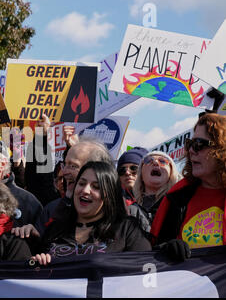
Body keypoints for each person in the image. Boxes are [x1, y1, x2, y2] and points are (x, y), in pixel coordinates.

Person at [32, 161, 151, 265]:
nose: (85, 190)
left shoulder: (127, 229)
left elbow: (145, 270)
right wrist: (39, 262)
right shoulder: (56, 227)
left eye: (96, 187)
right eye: (82, 183)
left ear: (109, 195)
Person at [151, 113, 226, 257]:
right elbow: (154, 251)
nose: (191, 151)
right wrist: (167, 247)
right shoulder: (178, 196)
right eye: (190, 144)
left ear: (222, 150)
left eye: (199, 144)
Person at [29, 136, 114, 236]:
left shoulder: (123, 226)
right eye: (65, 164)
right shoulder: (52, 210)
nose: (64, 172)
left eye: (73, 166)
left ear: (97, 169)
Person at [128, 151, 181, 233]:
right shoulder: (128, 210)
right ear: (141, 174)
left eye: (163, 161)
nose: (155, 162)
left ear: (171, 173)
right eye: (148, 160)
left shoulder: (181, 205)